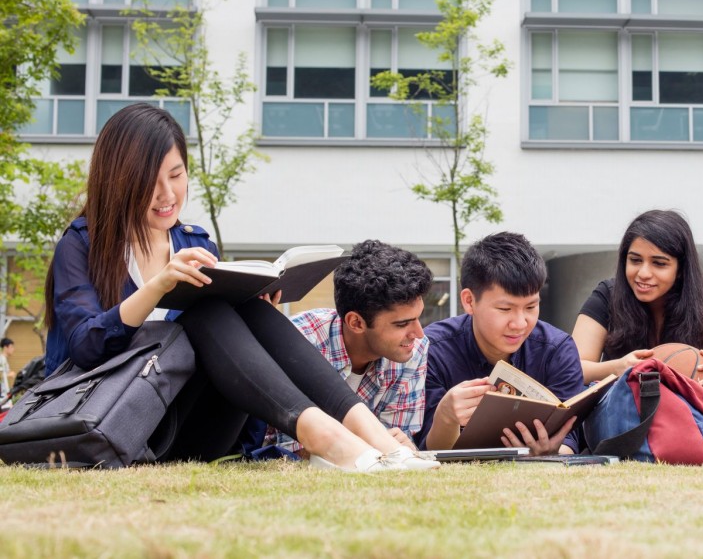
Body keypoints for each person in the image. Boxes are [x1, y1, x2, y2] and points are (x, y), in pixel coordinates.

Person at [43, 102, 435, 473]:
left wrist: (251, 299)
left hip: (192, 425)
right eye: (150, 181)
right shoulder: (81, 245)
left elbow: (221, 359)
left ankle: (381, 443)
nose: (167, 194)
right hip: (112, 426)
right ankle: (328, 438)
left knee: (245, 308)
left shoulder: (194, 243)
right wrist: (158, 287)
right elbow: (85, 347)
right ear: (119, 182)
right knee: (206, 310)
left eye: (177, 175)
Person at [571, 209, 703, 460]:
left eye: (659, 263)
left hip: (690, 413)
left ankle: (633, 451)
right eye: (635, 260)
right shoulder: (606, 295)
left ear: (680, 268)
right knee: (579, 408)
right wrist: (618, 367)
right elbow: (574, 369)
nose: (643, 273)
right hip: (625, 412)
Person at [417, 232, 584, 456]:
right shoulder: (433, 349)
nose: (520, 323)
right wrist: (446, 416)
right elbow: (428, 449)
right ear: (469, 301)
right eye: (505, 309)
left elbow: (569, 439)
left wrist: (550, 452)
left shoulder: (556, 349)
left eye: (531, 307)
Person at [269, 240, 432, 456]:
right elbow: (290, 450)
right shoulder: (299, 340)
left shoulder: (415, 350)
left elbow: (401, 438)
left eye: (418, 318)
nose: (418, 333)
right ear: (356, 322)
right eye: (402, 324)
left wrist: (403, 443)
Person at [0, 338, 13, 409]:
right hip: (3, 396)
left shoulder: (4, 359)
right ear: (5, 347)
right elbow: (1, 375)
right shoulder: (1, 359)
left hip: (5, 395)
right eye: (11, 347)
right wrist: (9, 374)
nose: (13, 349)